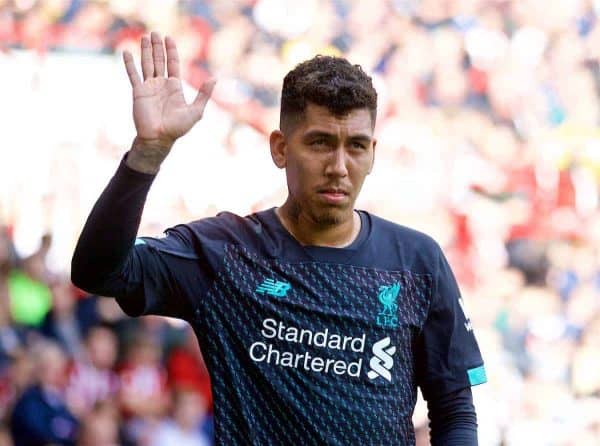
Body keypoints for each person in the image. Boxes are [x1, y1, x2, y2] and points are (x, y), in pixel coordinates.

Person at [71, 31, 486, 445]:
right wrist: (147, 154)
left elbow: (454, 409)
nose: (339, 166)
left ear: (373, 152)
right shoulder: (224, 254)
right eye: (320, 143)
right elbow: (98, 272)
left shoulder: (415, 261)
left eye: (356, 146)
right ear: (280, 148)